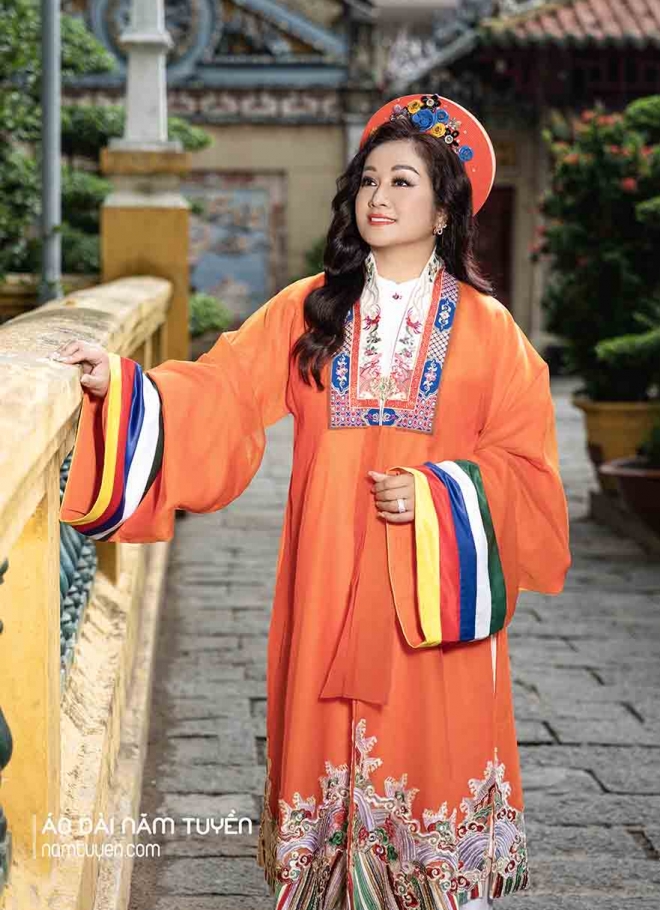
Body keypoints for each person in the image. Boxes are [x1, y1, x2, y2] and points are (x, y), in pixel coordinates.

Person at [53, 93, 571, 910]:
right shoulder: (310, 309)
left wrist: (440, 494)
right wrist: (123, 388)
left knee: (433, 738)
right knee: (323, 731)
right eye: (368, 179)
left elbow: (528, 471)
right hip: (326, 576)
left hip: (430, 592)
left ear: (445, 210)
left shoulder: (491, 331)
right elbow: (222, 391)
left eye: (403, 182)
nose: (378, 196)